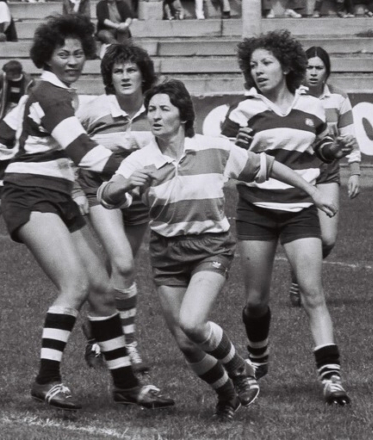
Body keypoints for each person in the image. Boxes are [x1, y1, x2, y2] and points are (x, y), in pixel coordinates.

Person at [100, 79, 339, 420]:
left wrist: (312, 191)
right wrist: (122, 185)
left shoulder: (215, 148)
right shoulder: (140, 160)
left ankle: (239, 368)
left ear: (182, 115)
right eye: (151, 109)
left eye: (163, 109)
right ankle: (227, 391)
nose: (155, 115)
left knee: (193, 323)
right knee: (185, 342)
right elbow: (105, 195)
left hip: (209, 248)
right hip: (166, 253)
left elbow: (268, 165)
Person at [0, 14, 174, 412]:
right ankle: (46, 379)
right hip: (33, 196)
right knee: (76, 286)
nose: (72, 60)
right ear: (45, 58)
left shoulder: (52, 94)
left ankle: (124, 383)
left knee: (102, 290)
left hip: (55, 196)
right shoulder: (50, 95)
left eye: (78, 53)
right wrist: (137, 170)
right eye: (62, 54)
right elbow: (83, 151)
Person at [221, 30, 354, 406]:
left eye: (266, 63)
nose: (258, 71)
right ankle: (258, 359)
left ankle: (331, 378)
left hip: (300, 209)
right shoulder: (243, 109)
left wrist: (334, 148)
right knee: (256, 301)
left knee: (313, 293)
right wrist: (240, 147)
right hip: (256, 211)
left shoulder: (312, 106)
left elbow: (320, 150)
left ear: (285, 65)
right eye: (253, 65)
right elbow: (227, 160)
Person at [76, 45, 156, 372]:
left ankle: (98, 334)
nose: (124, 76)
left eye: (130, 70)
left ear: (143, 74)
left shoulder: (157, 108)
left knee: (116, 269)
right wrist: (71, 186)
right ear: (109, 77)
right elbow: (64, 141)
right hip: (101, 191)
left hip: (140, 198)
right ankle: (129, 344)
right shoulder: (94, 109)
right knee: (123, 264)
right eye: (118, 71)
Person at [288, 47, 361, 305]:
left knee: (327, 238)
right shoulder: (293, 95)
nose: (314, 72)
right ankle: (306, 287)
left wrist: (354, 171)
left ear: (327, 71)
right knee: (300, 233)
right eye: (309, 67)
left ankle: (298, 276)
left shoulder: (339, 97)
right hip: (299, 170)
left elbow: (349, 135)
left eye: (319, 68)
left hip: (328, 172)